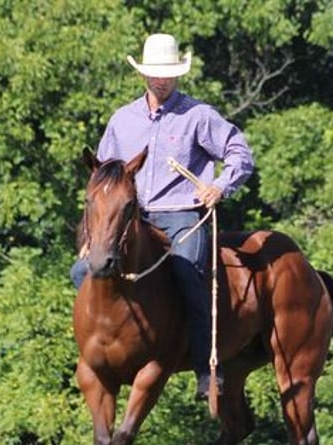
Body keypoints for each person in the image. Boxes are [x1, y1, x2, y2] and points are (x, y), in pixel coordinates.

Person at [71, 33, 254, 400]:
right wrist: (94, 235)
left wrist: (219, 186)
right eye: (156, 72)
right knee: (82, 272)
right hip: (133, 220)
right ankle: (102, 348)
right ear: (144, 73)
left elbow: (239, 152)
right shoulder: (122, 121)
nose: (162, 79)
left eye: (169, 73)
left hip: (183, 214)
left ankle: (206, 367)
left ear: (178, 75)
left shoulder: (198, 116)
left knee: (188, 272)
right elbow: (104, 179)